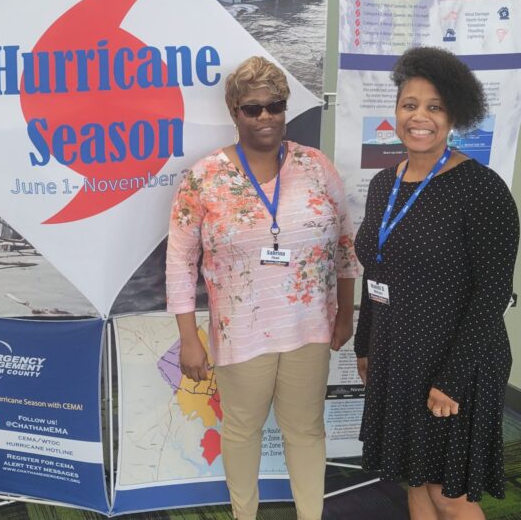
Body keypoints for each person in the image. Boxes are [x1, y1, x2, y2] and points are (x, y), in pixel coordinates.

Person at [166, 56, 357, 520]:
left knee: (307, 431)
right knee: (242, 431)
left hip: (310, 328)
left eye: (276, 106)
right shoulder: (204, 177)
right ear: (235, 111)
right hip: (241, 332)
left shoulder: (316, 166)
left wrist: (346, 314)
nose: (266, 117)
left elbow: (346, 246)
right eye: (253, 109)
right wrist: (189, 338)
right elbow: (180, 262)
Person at [354, 46, 519, 520]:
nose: (419, 116)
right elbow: (376, 270)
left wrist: (451, 379)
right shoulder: (386, 183)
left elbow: (492, 295)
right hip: (398, 353)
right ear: (396, 112)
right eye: (410, 104)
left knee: (450, 494)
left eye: (434, 106)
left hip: (457, 361)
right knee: (413, 474)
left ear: (454, 115)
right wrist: (367, 345)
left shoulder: (481, 189)